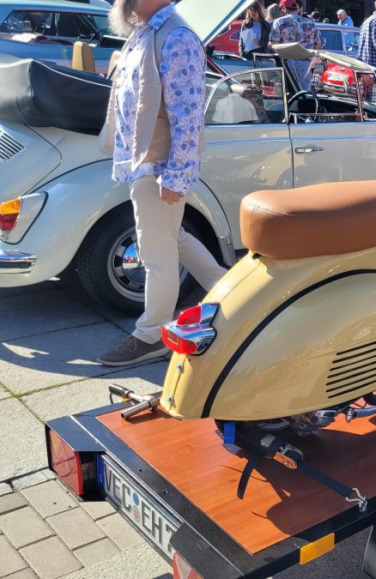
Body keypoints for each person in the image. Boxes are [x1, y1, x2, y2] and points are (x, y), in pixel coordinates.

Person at [98, 0, 227, 366]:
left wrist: (177, 175)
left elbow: (188, 116)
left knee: (156, 250)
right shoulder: (147, 32)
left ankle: (153, 333)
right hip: (144, 162)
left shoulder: (176, 37)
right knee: (172, 237)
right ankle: (227, 291)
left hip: (158, 166)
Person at [269, 0, 322, 91]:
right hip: (305, 64)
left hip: (286, 64)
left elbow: (274, 44)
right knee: (305, 94)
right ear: (297, 9)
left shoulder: (279, 22)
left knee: (288, 94)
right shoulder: (310, 23)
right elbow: (318, 46)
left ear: (284, 9)